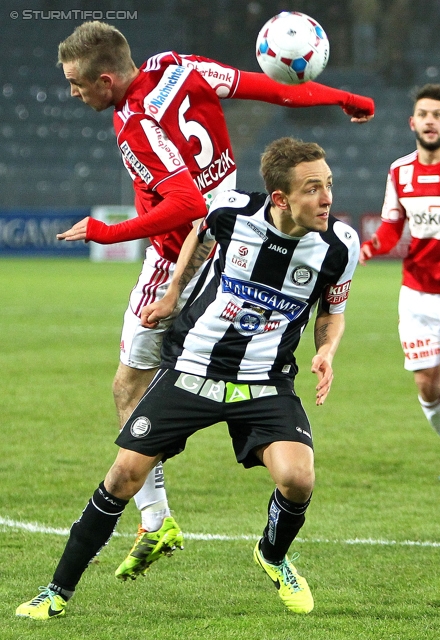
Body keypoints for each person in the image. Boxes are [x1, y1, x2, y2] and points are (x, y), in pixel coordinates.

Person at [54, 21, 374, 579]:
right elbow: (274, 88)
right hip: (235, 232)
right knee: (215, 354)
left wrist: (105, 233)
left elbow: (181, 205)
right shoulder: (179, 66)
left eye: (78, 84)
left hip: (192, 246)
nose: (75, 93)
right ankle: (179, 497)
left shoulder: (136, 126)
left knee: (131, 383)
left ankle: (155, 520)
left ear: (105, 80)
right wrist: (346, 97)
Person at [16, 137, 360, 618]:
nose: (327, 199)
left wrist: (326, 349)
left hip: (265, 381)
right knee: (123, 476)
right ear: (280, 198)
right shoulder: (233, 211)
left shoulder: (339, 245)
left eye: (328, 185)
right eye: (313, 189)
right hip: (192, 367)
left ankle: (273, 554)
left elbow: (333, 311)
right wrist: (173, 290)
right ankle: (55, 592)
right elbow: (199, 237)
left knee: (298, 479)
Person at [360, 83, 440, 479]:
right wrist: (368, 249)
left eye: (437, 115)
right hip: (417, 296)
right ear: (412, 122)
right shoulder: (400, 171)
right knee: (428, 386)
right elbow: (391, 227)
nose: (430, 121)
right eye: (424, 114)